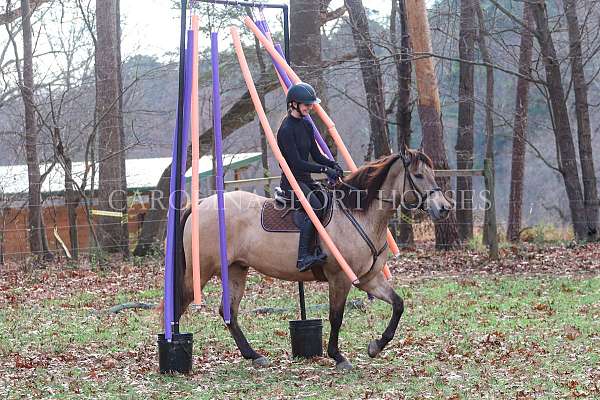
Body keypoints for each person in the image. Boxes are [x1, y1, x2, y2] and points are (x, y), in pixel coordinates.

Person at [276, 83, 344, 272]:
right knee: (314, 207)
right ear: (294, 104)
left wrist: (331, 164)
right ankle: (303, 257)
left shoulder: (306, 123)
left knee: (326, 202)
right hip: (291, 181)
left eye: (311, 104)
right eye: (306, 104)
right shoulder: (286, 129)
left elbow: (315, 154)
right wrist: (323, 170)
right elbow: (297, 162)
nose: (310, 107)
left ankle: (318, 247)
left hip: (305, 179)